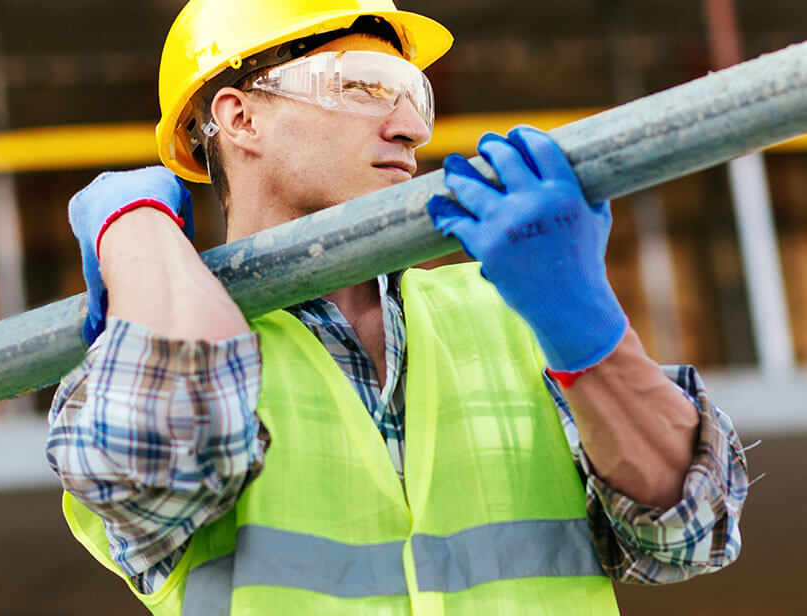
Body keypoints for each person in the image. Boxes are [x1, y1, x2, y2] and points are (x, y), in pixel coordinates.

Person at [47, 1, 749, 614]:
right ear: (240, 116)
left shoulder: (507, 308)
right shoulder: (133, 360)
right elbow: (150, 471)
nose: (411, 126)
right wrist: (134, 225)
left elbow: (685, 535)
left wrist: (581, 315)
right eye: (363, 85)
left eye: (414, 94)